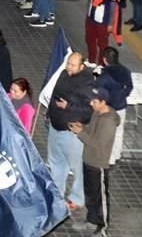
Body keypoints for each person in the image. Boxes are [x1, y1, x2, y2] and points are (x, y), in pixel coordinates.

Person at [68, 87, 120, 236]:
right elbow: (91, 131)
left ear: (103, 102)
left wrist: (80, 133)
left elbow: (98, 143)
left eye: (95, 101)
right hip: (88, 160)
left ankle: (103, 227)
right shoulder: (97, 113)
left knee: (100, 197)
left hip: (99, 163)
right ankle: (91, 220)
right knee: (90, 194)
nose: (91, 104)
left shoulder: (109, 121)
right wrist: (82, 127)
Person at [46, 52, 93, 211]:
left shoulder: (87, 84)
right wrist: (49, 114)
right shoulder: (64, 74)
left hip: (71, 133)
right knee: (56, 163)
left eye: (73, 65)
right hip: (56, 127)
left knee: (77, 166)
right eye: (68, 63)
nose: (69, 67)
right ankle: (57, 194)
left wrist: (68, 107)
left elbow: (88, 110)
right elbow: (54, 94)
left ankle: (77, 198)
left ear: (82, 66)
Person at [97, 46, 132, 165]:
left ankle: (109, 158)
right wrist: (123, 95)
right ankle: (116, 155)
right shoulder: (126, 71)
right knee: (119, 131)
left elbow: (100, 92)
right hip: (121, 105)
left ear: (105, 59)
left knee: (108, 133)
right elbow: (130, 87)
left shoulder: (104, 76)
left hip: (109, 108)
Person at [84, 0, 120, 64]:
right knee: (89, 39)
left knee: (102, 43)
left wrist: (110, 23)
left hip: (103, 20)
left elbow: (113, 7)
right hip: (91, 18)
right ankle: (91, 60)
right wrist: (87, 14)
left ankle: (101, 63)